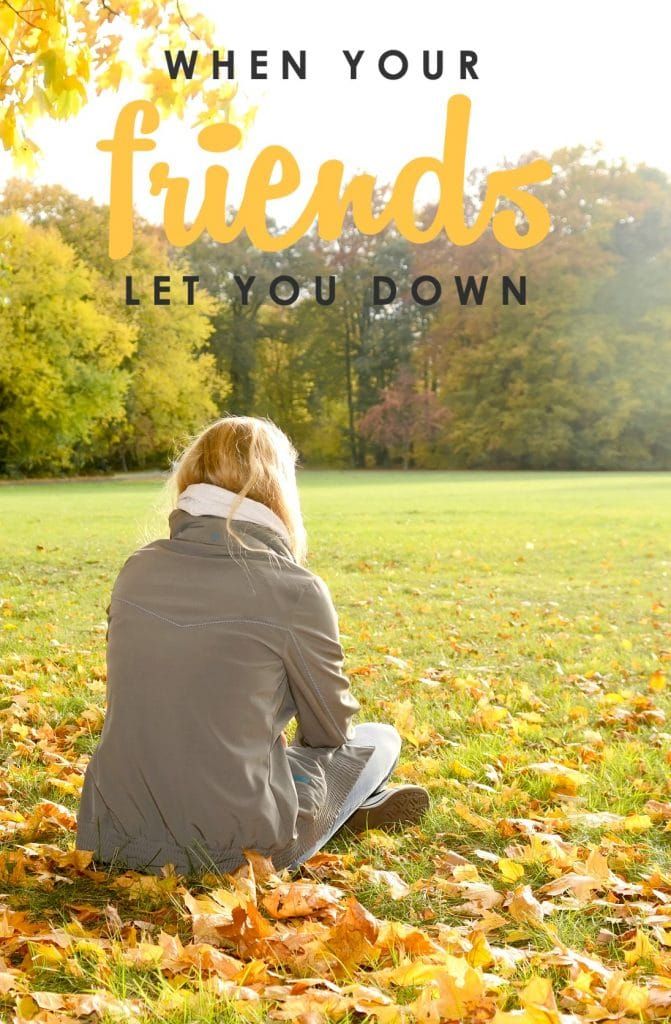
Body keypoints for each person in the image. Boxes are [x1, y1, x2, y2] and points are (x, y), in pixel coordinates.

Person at [76, 416, 429, 876]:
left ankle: (341, 811)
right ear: (278, 487)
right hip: (236, 848)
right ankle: (343, 812)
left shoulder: (136, 569)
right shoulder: (295, 589)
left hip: (113, 832)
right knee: (379, 739)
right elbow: (330, 732)